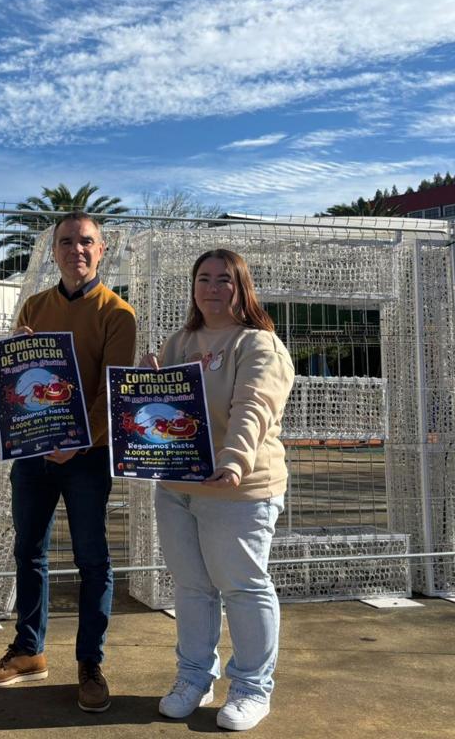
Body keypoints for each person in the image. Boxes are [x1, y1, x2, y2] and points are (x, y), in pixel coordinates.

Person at [0, 211, 137, 714]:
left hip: (87, 457)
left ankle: (90, 662)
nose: (76, 250)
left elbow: (114, 393)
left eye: (86, 241)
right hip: (34, 455)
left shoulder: (118, 313)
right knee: (29, 552)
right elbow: (25, 382)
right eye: (66, 242)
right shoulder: (35, 306)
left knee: (92, 560)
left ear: (101, 249)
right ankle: (29, 650)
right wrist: (20, 358)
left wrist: (78, 439)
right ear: (53, 251)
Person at [142, 248, 294, 731]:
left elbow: (254, 405)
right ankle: (193, 677)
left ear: (242, 287)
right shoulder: (180, 341)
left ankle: (252, 687)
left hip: (239, 488)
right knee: (192, 589)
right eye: (203, 278)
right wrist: (149, 385)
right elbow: (162, 410)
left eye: (224, 280)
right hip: (179, 487)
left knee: (244, 589)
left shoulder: (259, 344)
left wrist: (233, 460)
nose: (212, 288)